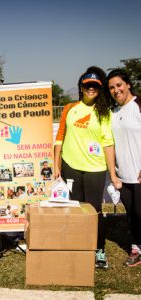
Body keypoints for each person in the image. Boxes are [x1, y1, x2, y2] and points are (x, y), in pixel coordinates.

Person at [54, 66, 121, 269]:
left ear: (99, 89)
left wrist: (113, 174)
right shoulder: (69, 109)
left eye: (95, 86)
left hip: (95, 169)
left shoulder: (104, 113)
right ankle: (78, 246)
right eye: (87, 85)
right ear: (81, 87)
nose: (91, 89)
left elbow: (108, 144)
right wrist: (57, 165)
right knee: (75, 209)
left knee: (94, 211)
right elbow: (59, 138)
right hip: (71, 167)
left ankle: (99, 249)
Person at [106, 69, 141, 267]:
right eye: (112, 87)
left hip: (139, 174)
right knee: (132, 215)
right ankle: (136, 249)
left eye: (119, 85)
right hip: (124, 176)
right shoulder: (114, 112)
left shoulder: (138, 105)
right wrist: (114, 174)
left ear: (127, 84)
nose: (116, 90)